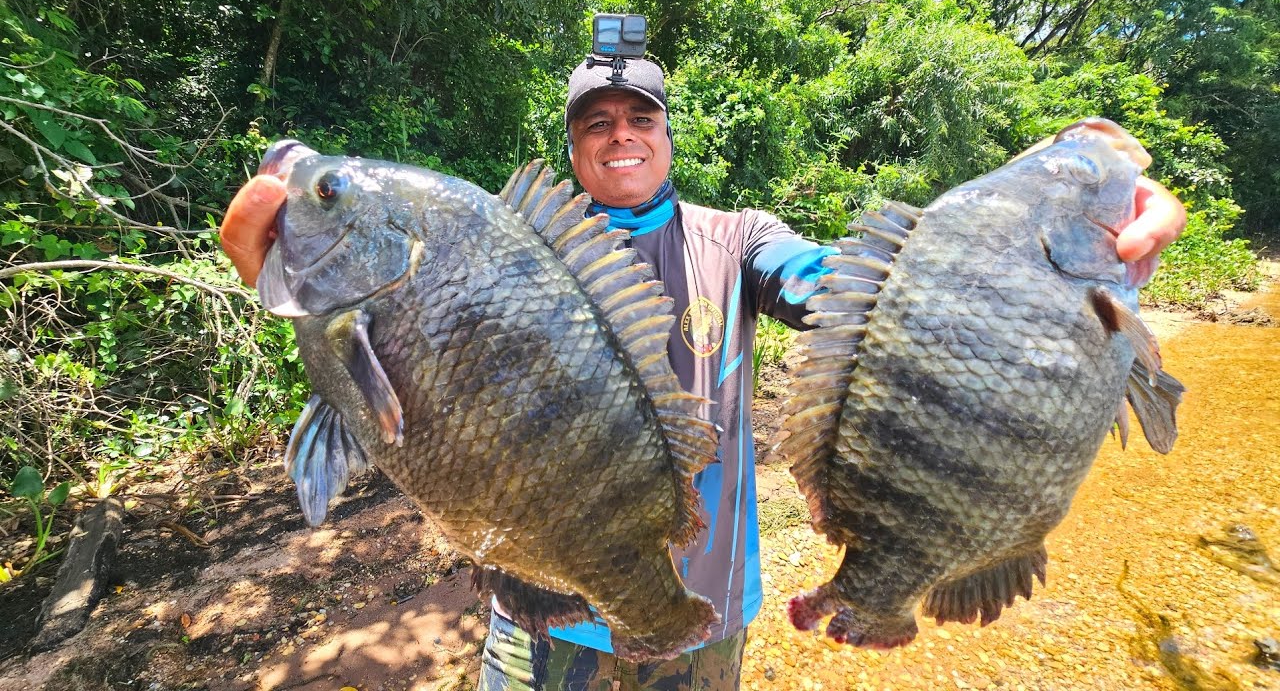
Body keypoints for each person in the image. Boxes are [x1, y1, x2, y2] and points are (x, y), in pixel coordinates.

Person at [220, 58, 1187, 691]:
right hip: (537, 609)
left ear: (668, 134)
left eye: (639, 115)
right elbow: (376, 404)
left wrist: (1055, 248)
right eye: (594, 122)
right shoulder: (494, 249)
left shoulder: (741, 241)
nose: (619, 134)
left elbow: (844, 292)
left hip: (712, 603)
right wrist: (300, 286)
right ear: (573, 145)